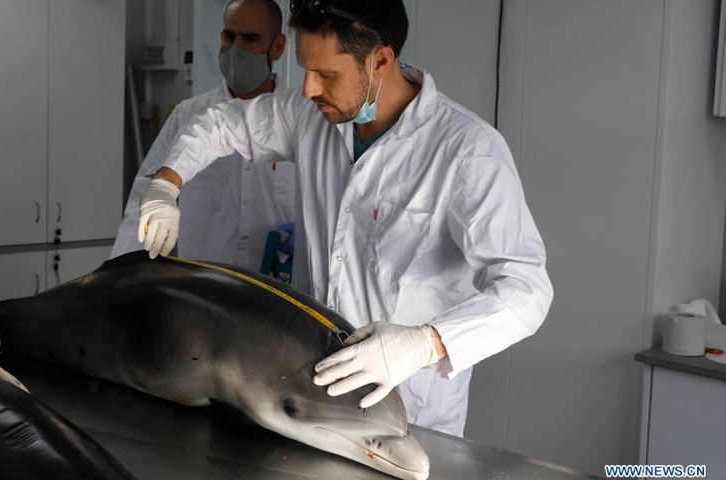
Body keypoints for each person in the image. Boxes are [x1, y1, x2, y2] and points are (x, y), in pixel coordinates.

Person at [137, 0, 553, 438]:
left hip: (412, 416)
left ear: (380, 62)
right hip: (307, 398)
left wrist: (425, 343)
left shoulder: (467, 151)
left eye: (326, 74)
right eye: (305, 70)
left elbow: (525, 289)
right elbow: (220, 124)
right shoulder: (310, 117)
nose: (308, 89)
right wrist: (167, 182)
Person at [112, 0, 295, 268]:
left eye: (250, 39)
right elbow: (145, 199)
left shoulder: (298, 121)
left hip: (274, 284)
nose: (236, 50)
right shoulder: (189, 115)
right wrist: (123, 275)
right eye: (229, 37)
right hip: (202, 281)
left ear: (277, 46)